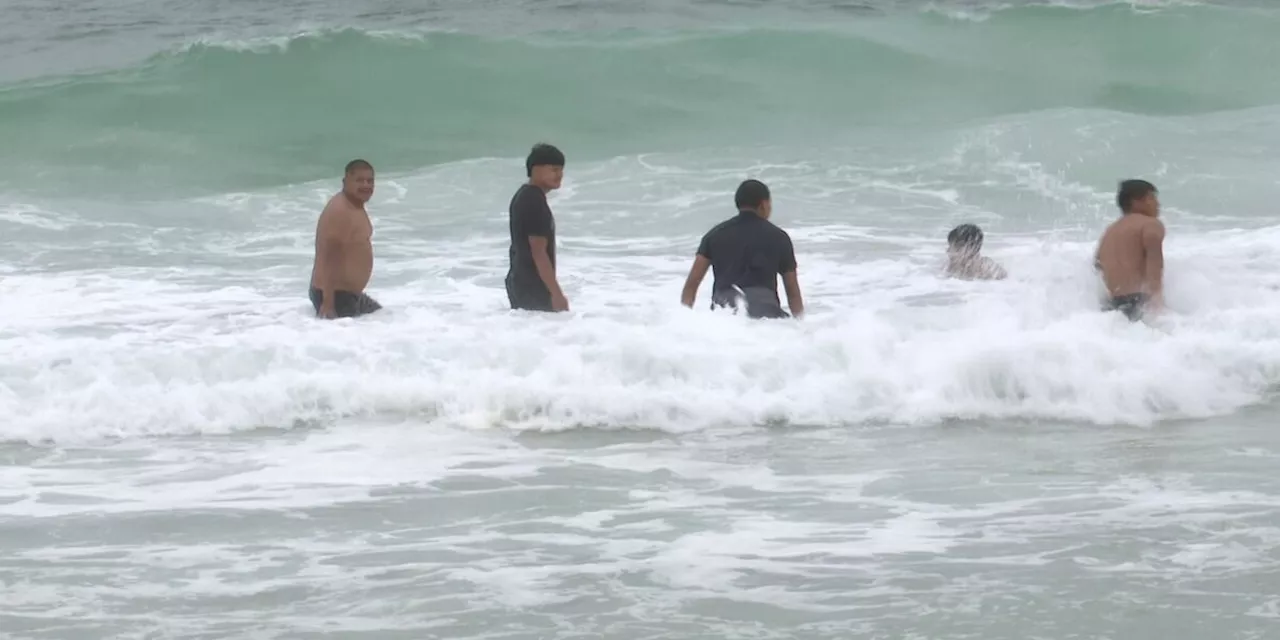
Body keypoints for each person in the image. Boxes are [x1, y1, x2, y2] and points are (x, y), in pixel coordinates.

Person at [680, 179, 804, 319]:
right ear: (763, 204)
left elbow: (691, 286)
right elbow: (792, 292)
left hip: (726, 316)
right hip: (767, 317)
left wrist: (686, 326)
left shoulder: (714, 235)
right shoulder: (779, 238)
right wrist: (800, 329)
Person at [309, 159, 382, 319]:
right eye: (359, 180)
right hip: (335, 297)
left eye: (370, 181)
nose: (366, 185)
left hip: (345, 295)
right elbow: (330, 256)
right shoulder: (340, 210)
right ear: (345, 182)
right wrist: (328, 303)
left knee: (384, 317)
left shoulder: (354, 205)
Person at [505, 143, 568, 312]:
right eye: (553, 169)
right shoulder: (533, 200)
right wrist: (557, 294)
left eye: (561, 170)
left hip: (521, 281)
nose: (559, 175)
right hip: (532, 285)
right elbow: (538, 251)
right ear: (535, 169)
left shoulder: (524, 195)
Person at [1094, 179, 1165, 321]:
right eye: (1152, 197)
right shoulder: (1150, 224)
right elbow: (1154, 262)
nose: (1157, 204)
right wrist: (1157, 299)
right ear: (1136, 201)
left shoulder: (1109, 232)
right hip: (1139, 301)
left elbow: (1097, 267)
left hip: (1110, 307)